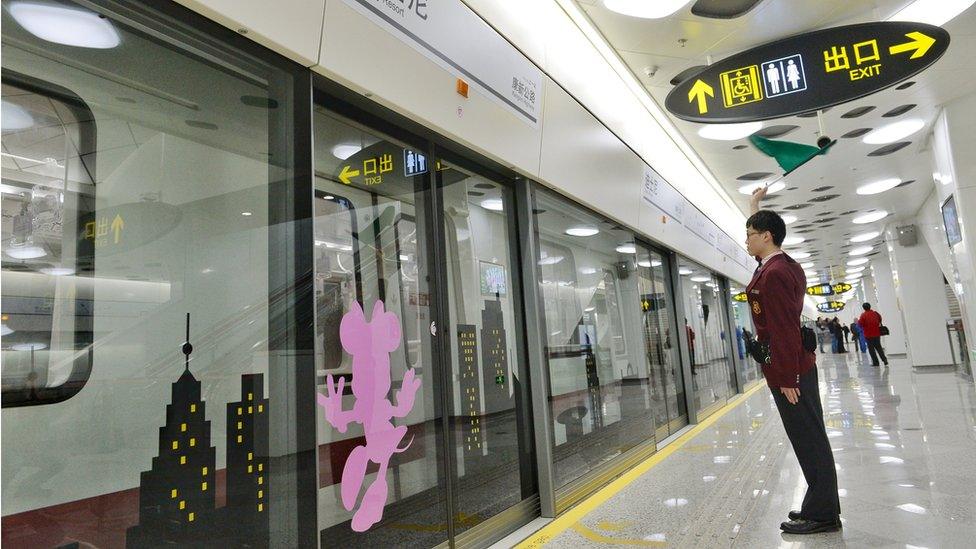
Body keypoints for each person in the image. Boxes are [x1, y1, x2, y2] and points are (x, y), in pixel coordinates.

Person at [744, 186, 840, 534]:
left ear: (766, 236)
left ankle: (824, 514)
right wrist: (754, 206)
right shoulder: (780, 265)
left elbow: (784, 329)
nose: (747, 241)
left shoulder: (776, 274)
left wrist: (788, 379)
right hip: (792, 368)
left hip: (790, 371)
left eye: (751, 235)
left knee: (809, 439)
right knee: (808, 438)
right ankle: (818, 504)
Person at [858, 303, 888, 367]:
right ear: (870, 306)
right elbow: (880, 319)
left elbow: (860, 324)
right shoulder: (875, 313)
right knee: (879, 347)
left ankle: (876, 363)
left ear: (863, 308)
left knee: (871, 349)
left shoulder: (863, 315)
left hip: (868, 335)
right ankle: (884, 359)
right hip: (877, 333)